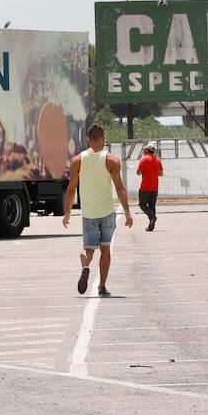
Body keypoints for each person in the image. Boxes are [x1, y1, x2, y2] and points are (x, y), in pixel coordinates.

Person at [61, 124, 133, 297]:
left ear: (88, 140)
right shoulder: (112, 160)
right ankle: (102, 286)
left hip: (89, 213)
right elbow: (120, 188)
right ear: (104, 138)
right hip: (107, 211)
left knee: (88, 248)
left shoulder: (77, 160)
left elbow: (71, 189)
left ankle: (85, 265)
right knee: (105, 249)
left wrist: (67, 212)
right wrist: (127, 213)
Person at [136, 142, 163, 232]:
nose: (144, 150)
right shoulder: (157, 160)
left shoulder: (143, 159)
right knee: (152, 206)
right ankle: (151, 226)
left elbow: (138, 172)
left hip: (145, 187)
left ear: (147, 150)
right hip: (155, 187)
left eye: (145, 149)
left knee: (142, 204)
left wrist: (146, 171)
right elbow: (161, 173)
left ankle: (152, 217)